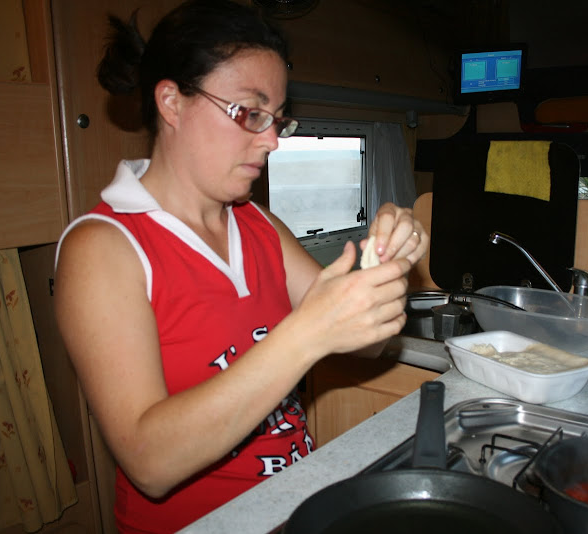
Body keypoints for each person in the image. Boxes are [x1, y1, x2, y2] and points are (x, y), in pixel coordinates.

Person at [52, 1, 428, 532]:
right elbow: (149, 462)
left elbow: (364, 344)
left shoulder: (258, 224)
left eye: (276, 119)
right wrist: (308, 333)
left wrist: (385, 261)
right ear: (172, 102)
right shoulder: (102, 247)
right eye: (251, 112)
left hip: (295, 508)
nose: (271, 139)